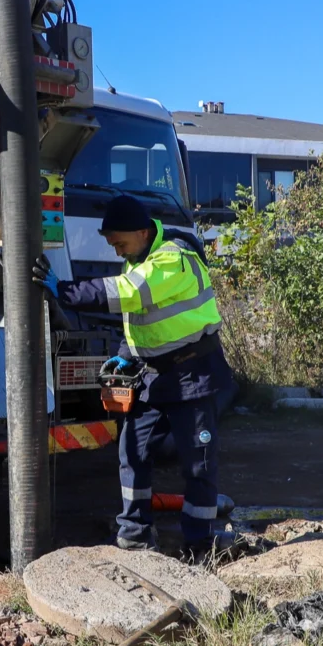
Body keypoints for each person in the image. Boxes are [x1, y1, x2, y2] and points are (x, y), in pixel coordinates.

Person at [33, 195, 232, 560]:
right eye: (114, 246)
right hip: (155, 377)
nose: (118, 252)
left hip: (192, 376)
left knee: (198, 464)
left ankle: (201, 546)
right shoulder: (139, 259)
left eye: (121, 243)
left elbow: (127, 294)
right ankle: (135, 536)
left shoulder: (173, 259)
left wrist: (64, 290)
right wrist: (126, 356)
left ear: (143, 232)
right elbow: (141, 319)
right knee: (132, 453)